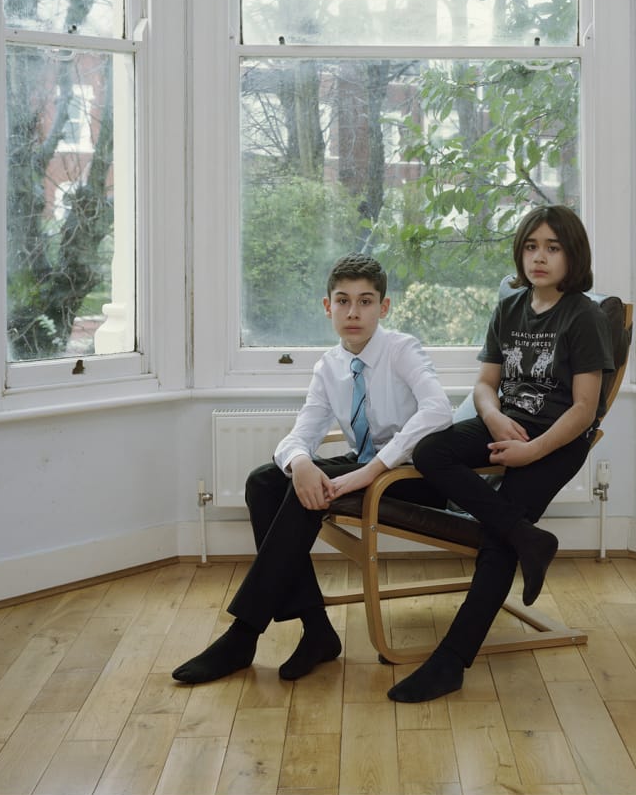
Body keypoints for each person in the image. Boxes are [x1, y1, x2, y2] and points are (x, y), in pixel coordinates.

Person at [172, 254, 453, 686]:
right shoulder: (330, 366)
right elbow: (299, 433)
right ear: (328, 307)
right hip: (364, 469)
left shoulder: (402, 350)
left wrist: (371, 470)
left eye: (365, 301)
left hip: (412, 477)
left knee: (304, 497)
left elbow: (439, 411)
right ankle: (316, 629)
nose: (354, 312)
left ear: (385, 307)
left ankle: (244, 634)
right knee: (266, 481)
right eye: (343, 301)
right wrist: (301, 462)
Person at [389, 205, 614, 704]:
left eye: (553, 248)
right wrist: (491, 417)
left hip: (555, 439)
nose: (540, 257)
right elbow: (486, 383)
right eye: (532, 246)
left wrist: (532, 451)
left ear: (572, 255)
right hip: (506, 423)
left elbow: (585, 408)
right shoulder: (509, 306)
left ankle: (451, 661)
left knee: (496, 542)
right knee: (429, 449)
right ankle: (529, 539)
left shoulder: (585, 315)